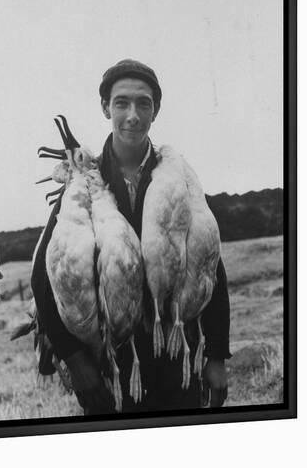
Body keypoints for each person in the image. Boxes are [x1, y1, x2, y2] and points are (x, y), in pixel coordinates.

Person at [31, 59, 231, 415]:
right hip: (112, 369)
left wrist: (216, 356)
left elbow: (210, 266)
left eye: (144, 103)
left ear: (156, 109)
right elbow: (44, 277)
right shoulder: (85, 181)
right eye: (121, 102)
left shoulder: (179, 180)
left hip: (177, 360)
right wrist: (76, 361)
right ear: (106, 106)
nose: (133, 115)